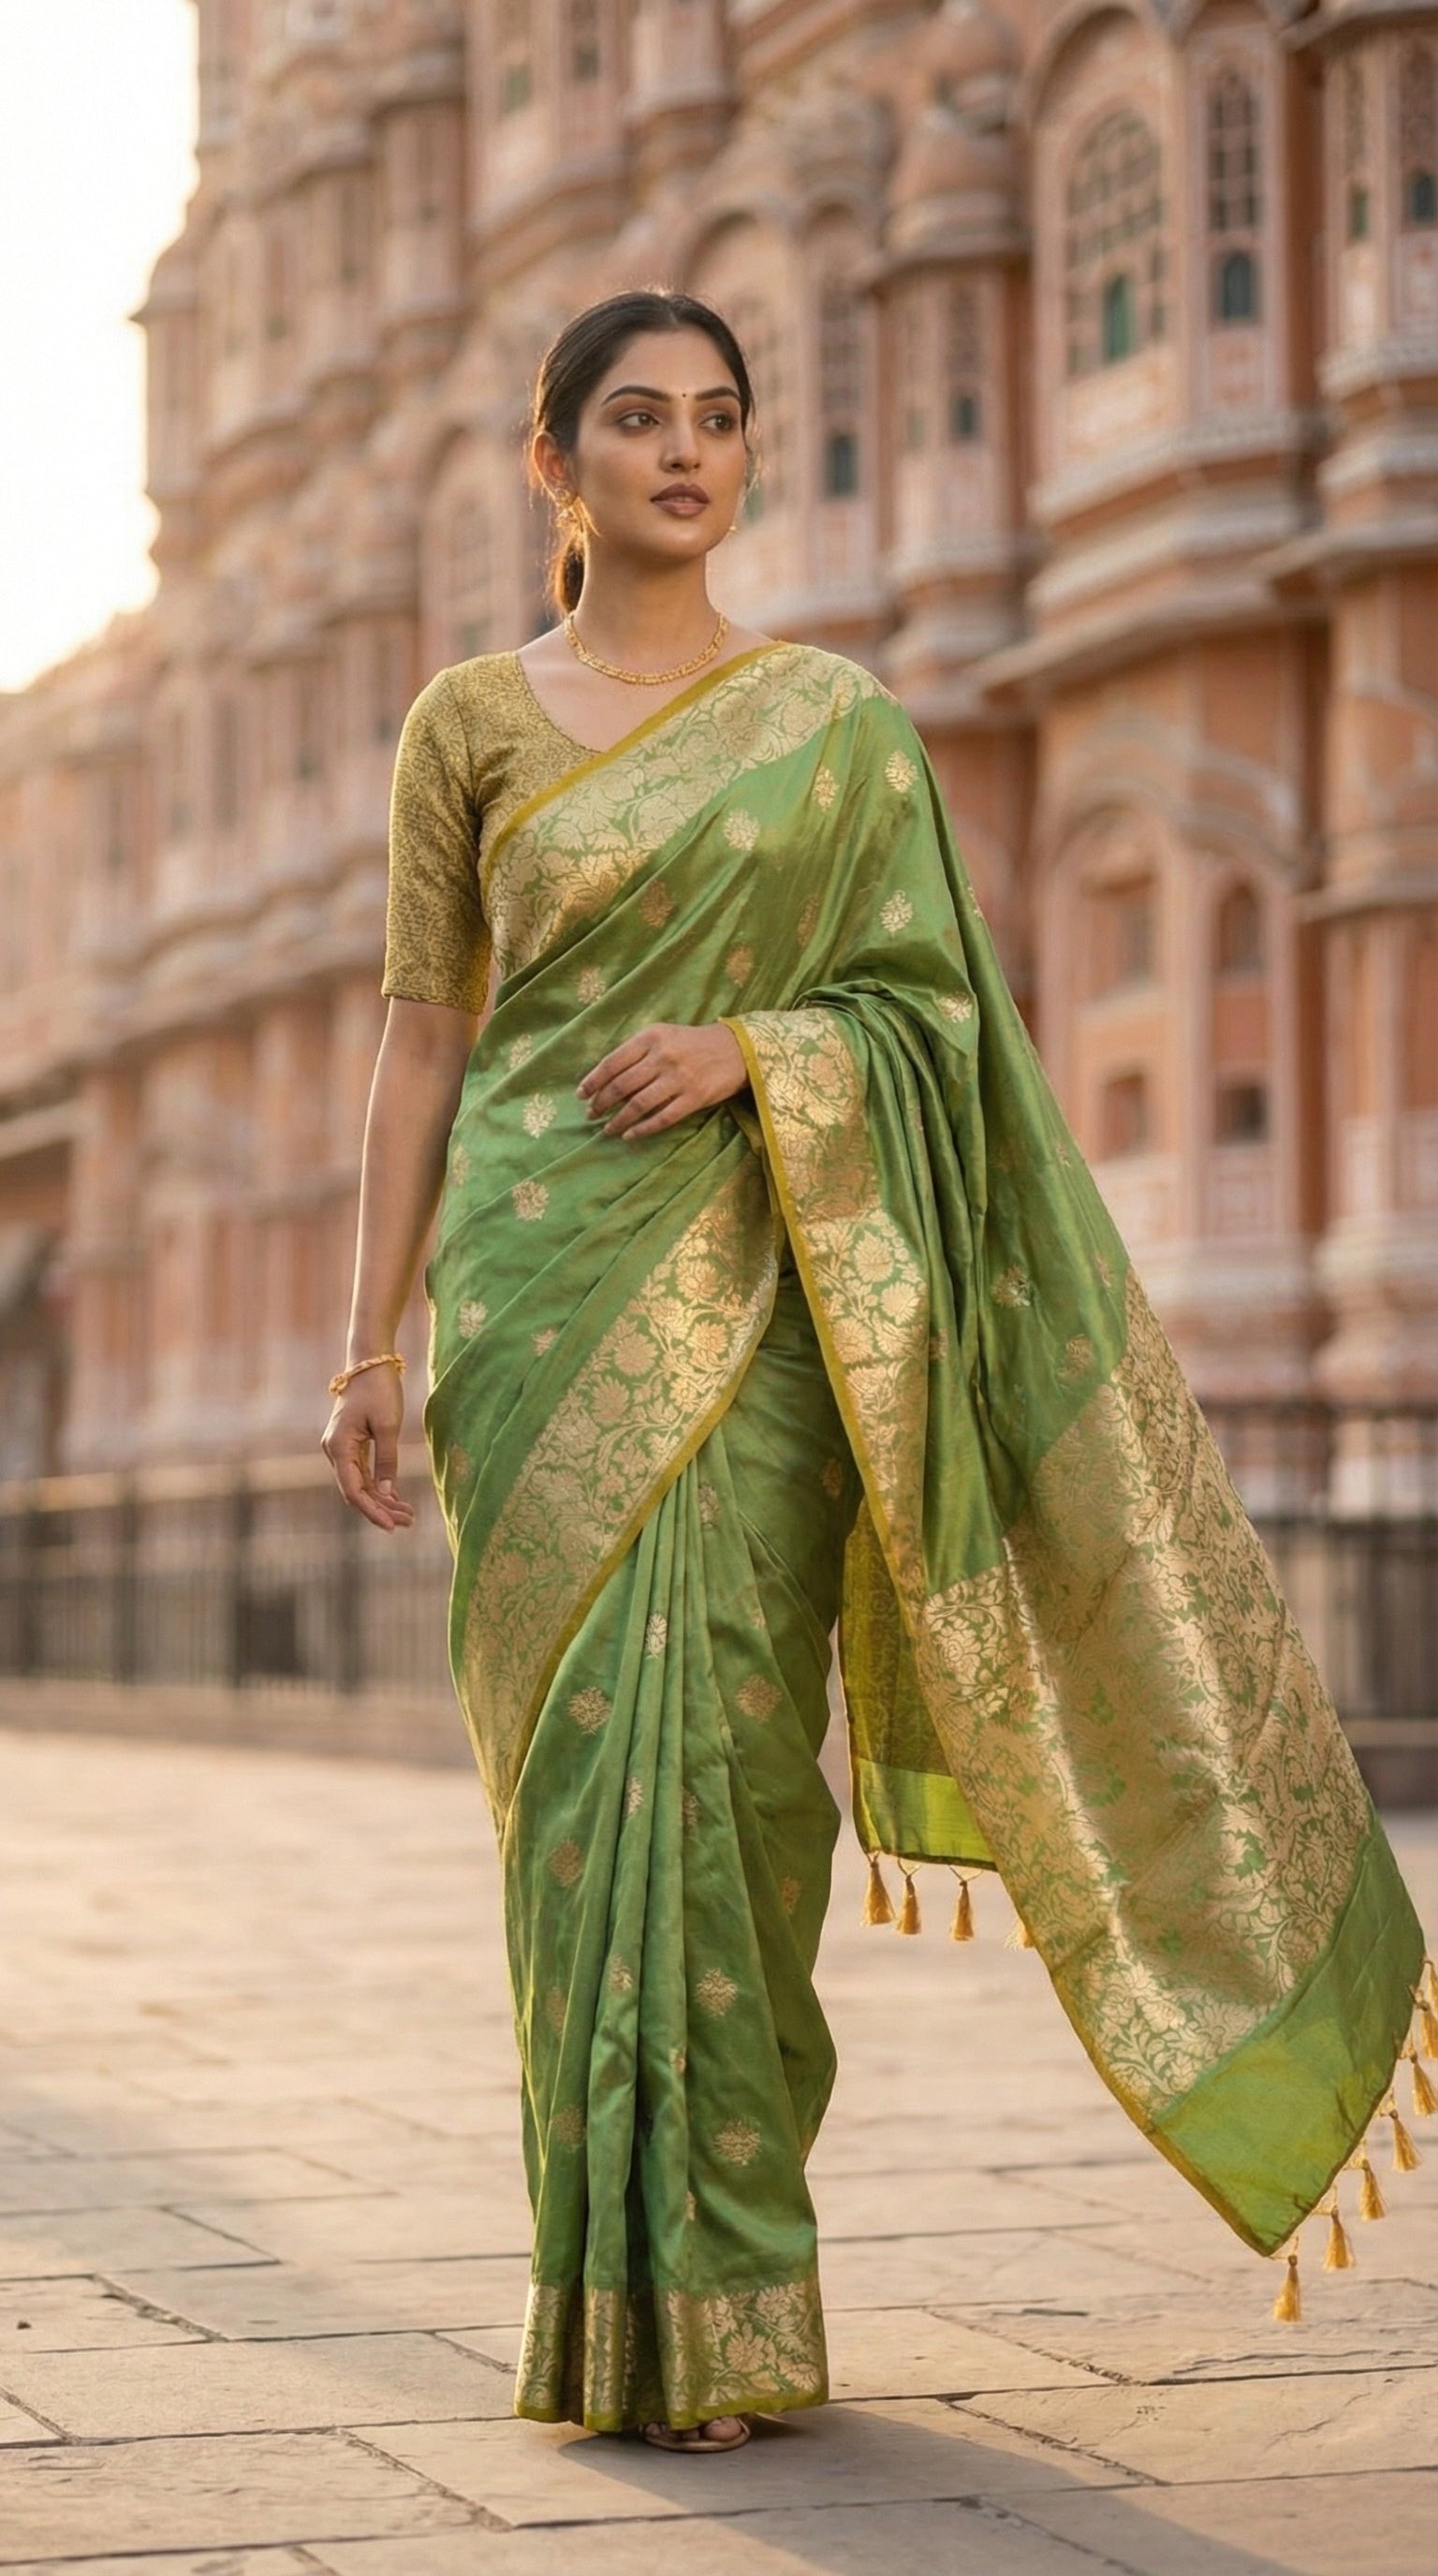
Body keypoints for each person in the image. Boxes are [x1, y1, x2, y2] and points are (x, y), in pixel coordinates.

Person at [323, 289, 1429, 2449]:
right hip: (533, 1300)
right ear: (551, 464)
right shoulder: (466, 722)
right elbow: (422, 1038)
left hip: (758, 1293)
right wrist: (365, 1336)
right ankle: (600, 2300)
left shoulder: (837, 726)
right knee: (571, 1824)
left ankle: (727, 2297)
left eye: (718, 420)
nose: (683, 452)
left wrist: (764, 1046)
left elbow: (941, 1024)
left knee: (734, 1793)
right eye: (634, 419)